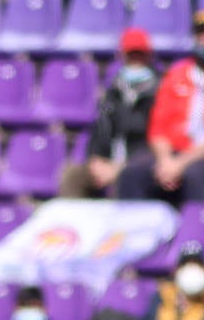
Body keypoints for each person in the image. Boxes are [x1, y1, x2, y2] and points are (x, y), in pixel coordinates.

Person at [116, 9, 204, 206]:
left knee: (193, 176)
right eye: (202, 34)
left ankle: (199, 225)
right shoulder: (177, 73)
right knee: (132, 172)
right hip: (173, 151)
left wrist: (181, 163)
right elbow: (158, 125)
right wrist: (165, 160)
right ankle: (134, 224)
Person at [58, 27, 160, 199]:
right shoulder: (112, 91)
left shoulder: (159, 92)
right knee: (72, 175)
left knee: (128, 177)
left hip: (139, 163)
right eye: (131, 55)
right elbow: (100, 129)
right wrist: (96, 159)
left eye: (139, 55)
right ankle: (73, 217)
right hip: (109, 160)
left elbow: (154, 139)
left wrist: (120, 167)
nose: (135, 60)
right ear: (122, 56)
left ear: (148, 56)